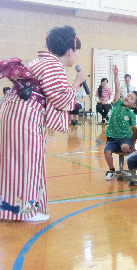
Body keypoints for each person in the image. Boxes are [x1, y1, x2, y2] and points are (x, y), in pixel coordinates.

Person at [0, 25, 86, 221]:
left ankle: (10, 208)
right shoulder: (53, 65)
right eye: (78, 52)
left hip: (14, 111)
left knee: (13, 163)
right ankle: (27, 211)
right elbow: (62, 100)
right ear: (71, 51)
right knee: (28, 162)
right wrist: (75, 84)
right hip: (25, 117)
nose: (78, 56)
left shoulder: (41, 61)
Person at [104, 65, 137, 180]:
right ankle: (111, 170)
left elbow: (134, 130)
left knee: (125, 147)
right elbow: (117, 88)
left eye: (131, 98)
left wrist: (133, 145)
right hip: (111, 137)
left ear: (134, 105)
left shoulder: (131, 114)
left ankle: (134, 163)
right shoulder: (117, 103)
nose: (127, 97)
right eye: (128, 95)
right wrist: (115, 74)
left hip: (124, 137)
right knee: (106, 152)